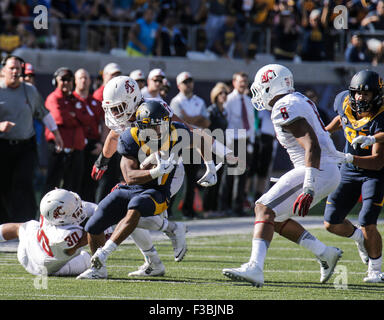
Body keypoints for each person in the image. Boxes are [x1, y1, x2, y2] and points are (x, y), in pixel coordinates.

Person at [222, 64, 343, 287]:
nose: (258, 92)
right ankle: (325, 253)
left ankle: (255, 268)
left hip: (317, 169)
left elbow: (312, 145)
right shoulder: (297, 99)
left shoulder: (283, 106)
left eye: (261, 86)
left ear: (271, 85)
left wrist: (308, 185)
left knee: (264, 208)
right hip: (322, 169)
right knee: (273, 218)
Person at [77, 99, 218, 279]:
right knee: (94, 224)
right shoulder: (130, 137)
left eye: (162, 124)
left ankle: (104, 254)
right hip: (132, 186)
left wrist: (210, 166)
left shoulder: (176, 131)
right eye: (154, 126)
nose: (160, 130)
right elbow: (129, 176)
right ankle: (99, 270)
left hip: (158, 191)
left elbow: (200, 138)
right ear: (142, 126)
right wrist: (156, 171)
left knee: (135, 208)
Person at [323, 70, 384, 283]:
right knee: (331, 222)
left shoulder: (380, 116)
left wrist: (350, 158)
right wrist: (325, 132)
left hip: (374, 173)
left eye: (366, 94)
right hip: (349, 169)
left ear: (376, 95)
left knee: (368, 221)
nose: (360, 97)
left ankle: (375, 269)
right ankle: (359, 238)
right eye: (357, 93)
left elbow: (377, 162)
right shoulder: (344, 101)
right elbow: (343, 119)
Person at [0, 55, 63, 223]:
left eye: (17, 69)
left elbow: (44, 113)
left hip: (25, 146)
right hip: (3, 146)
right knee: (4, 186)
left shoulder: (30, 90)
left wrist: (56, 135)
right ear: (3, 70)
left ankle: (25, 224)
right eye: (11, 68)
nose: (14, 72)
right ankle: (5, 226)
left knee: (24, 183)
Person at [0, 188, 95, 276]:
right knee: (86, 257)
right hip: (43, 269)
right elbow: (93, 233)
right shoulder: (64, 234)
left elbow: (94, 209)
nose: (78, 205)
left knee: (22, 227)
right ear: (61, 214)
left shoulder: (50, 213)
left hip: (29, 248)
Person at [170, 71, 211, 219]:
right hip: (181, 142)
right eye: (185, 82)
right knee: (175, 176)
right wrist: (196, 119)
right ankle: (168, 210)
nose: (188, 84)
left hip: (196, 143)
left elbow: (206, 122)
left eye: (190, 81)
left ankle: (189, 210)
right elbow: (180, 121)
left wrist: (190, 120)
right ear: (179, 85)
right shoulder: (176, 101)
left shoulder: (199, 101)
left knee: (191, 178)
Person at [43, 67, 88, 196]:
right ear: (55, 81)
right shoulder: (53, 98)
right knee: (52, 186)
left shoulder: (75, 98)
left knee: (73, 188)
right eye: (63, 79)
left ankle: (70, 216)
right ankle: (44, 215)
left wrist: (74, 116)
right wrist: (76, 118)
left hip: (75, 148)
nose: (66, 82)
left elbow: (86, 119)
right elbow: (60, 118)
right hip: (59, 147)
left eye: (69, 80)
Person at [221, 72, 255, 216]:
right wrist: (227, 145)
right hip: (232, 140)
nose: (243, 84)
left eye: (245, 81)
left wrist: (251, 142)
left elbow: (252, 123)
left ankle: (238, 206)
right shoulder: (228, 100)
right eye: (241, 81)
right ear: (234, 82)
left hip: (244, 139)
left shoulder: (248, 101)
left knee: (242, 176)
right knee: (229, 175)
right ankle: (224, 206)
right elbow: (226, 122)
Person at [92, 62, 123, 203]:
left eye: (118, 74)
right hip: (106, 143)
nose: (116, 77)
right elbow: (101, 122)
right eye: (113, 75)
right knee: (104, 181)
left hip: (117, 140)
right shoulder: (100, 94)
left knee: (114, 180)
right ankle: (100, 210)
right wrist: (102, 142)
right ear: (104, 76)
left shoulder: (119, 92)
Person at [73, 68, 104, 202]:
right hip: (76, 146)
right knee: (75, 182)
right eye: (81, 78)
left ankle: (88, 217)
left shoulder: (96, 103)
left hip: (93, 145)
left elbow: (104, 125)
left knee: (91, 184)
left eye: (86, 78)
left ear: (90, 81)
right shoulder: (70, 100)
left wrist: (102, 145)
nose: (84, 81)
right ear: (75, 80)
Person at [203, 82, 230, 216]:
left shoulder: (223, 111)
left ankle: (214, 208)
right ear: (215, 95)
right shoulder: (211, 110)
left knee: (218, 178)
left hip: (220, 147)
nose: (223, 95)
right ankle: (207, 209)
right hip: (211, 147)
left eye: (225, 93)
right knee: (211, 176)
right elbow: (206, 129)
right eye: (221, 93)